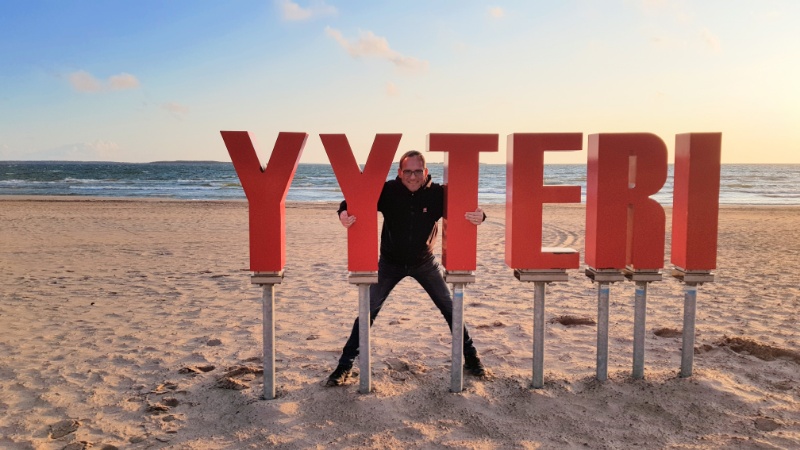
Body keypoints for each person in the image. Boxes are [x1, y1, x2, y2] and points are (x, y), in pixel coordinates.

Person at [326, 150, 489, 387]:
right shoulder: (387, 191)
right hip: (390, 263)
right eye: (408, 171)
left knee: (451, 309)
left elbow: (466, 206)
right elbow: (354, 199)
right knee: (368, 310)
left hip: (424, 262)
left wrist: (481, 215)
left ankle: (472, 359)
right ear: (400, 172)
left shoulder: (438, 194)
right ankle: (344, 366)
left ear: (426, 171)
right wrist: (343, 212)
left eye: (417, 171)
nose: (413, 177)